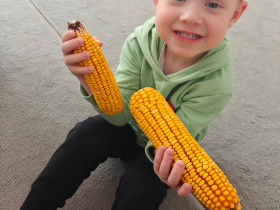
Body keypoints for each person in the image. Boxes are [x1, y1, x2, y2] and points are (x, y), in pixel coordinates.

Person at [21, 0, 248, 209]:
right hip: (127, 124)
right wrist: (89, 79)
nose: (191, 17)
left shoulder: (216, 86)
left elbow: (176, 146)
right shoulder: (140, 42)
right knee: (86, 133)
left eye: (212, 3)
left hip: (163, 153)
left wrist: (170, 167)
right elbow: (119, 114)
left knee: (141, 186)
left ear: (234, 15)